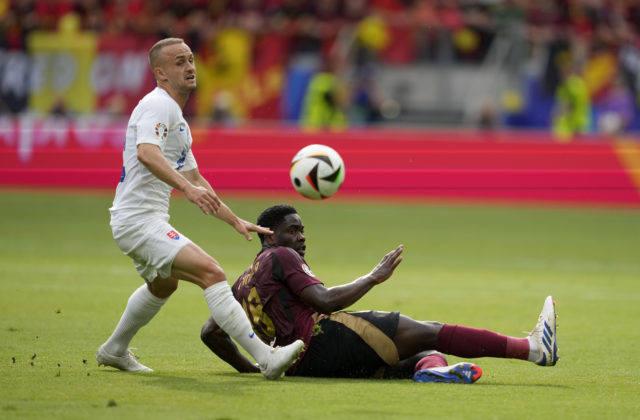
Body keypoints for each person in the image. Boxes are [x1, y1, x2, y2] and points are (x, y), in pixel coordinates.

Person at [96, 38, 304, 380]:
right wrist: (186, 189)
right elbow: (147, 154)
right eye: (179, 62)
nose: (190, 67)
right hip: (138, 221)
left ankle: (114, 350)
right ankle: (266, 358)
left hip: (141, 219)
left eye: (191, 59)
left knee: (164, 286)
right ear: (160, 74)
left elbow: (196, 178)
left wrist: (234, 219)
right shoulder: (157, 105)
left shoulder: (176, 118)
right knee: (211, 272)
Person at [200, 205, 559, 383]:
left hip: (301, 364)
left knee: (421, 352)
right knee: (428, 329)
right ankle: (531, 349)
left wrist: (253, 367)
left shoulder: (242, 284)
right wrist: (373, 277)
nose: (301, 237)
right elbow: (324, 301)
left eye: (303, 231)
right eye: (293, 230)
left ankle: (433, 374)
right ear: (269, 236)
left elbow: (210, 332)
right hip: (324, 338)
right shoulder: (281, 256)